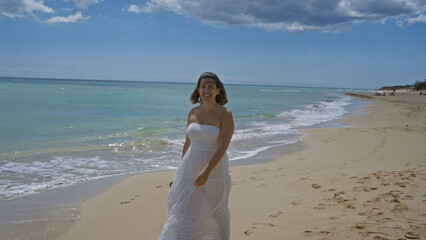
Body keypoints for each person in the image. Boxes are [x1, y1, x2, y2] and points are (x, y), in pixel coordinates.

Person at [159, 72, 234, 240]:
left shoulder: (225, 113)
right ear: (198, 90)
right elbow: (188, 143)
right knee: (184, 210)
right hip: (190, 167)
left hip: (214, 169)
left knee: (214, 211)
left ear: (218, 90)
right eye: (203, 86)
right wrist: (180, 173)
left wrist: (206, 171)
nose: (206, 90)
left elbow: (223, 145)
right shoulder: (192, 112)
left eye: (210, 86)